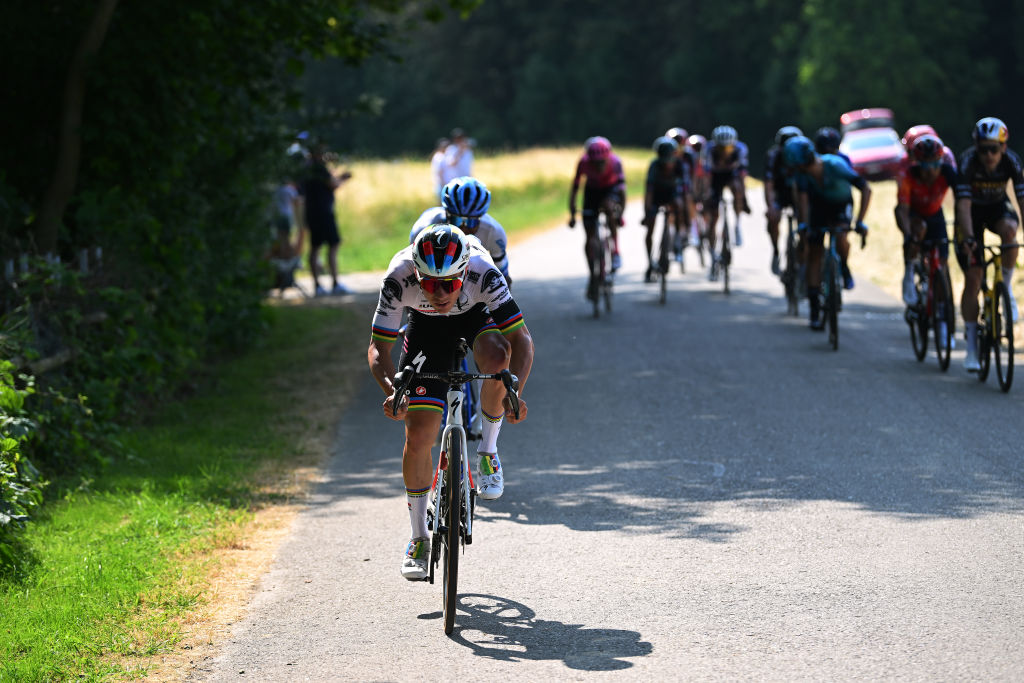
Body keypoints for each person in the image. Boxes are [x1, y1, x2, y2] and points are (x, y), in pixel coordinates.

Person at [368, 224, 534, 581]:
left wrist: (516, 393)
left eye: (448, 283)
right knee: (418, 436)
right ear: (416, 273)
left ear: (463, 272)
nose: (439, 291)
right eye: (429, 282)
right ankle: (418, 538)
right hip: (425, 328)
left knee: (497, 359)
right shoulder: (398, 277)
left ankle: (488, 451)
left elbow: (522, 341)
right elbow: (378, 348)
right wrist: (391, 391)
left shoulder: (483, 273)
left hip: (475, 316)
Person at [954, 117, 1024, 371]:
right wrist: (969, 238)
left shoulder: (1012, 162)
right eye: (983, 149)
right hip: (971, 215)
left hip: (996, 209)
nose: (988, 155)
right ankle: (971, 347)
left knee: (1010, 234)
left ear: (1003, 148)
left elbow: (1021, 199)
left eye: (994, 149)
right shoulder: (967, 162)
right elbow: (962, 206)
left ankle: (1005, 289)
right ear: (976, 148)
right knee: (973, 276)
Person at [785, 135, 871, 330]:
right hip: (818, 209)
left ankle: (845, 267)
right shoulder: (802, 175)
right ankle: (815, 309)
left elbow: (865, 188)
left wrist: (860, 221)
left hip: (841, 205)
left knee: (841, 237)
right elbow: (804, 201)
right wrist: (804, 225)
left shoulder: (835, 165)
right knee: (814, 252)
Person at [895, 134, 958, 319]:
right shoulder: (908, 176)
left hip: (935, 215)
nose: (930, 171)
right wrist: (908, 235)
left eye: (935, 165)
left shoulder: (948, 173)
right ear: (916, 163)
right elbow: (902, 210)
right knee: (918, 231)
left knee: (942, 264)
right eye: (925, 165)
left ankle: (940, 306)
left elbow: (963, 201)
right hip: (914, 214)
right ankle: (909, 272)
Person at [409, 176, 511, 282]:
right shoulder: (424, 227)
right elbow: (411, 268)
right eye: (456, 220)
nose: (463, 228)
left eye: (471, 222)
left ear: (480, 218)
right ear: (447, 214)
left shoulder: (493, 232)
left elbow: (503, 275)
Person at [569, 136, 627, 275]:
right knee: (589, 236)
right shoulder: (583, 163)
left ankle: (616, 252)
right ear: (589, 160)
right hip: (592, 192)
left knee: (609, 208)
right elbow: (575, 189)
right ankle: (592, 274)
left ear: (608, 157)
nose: (598, 166)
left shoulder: (615, 162)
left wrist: (620, 214)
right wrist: (572, 214)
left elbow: (622, 192)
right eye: (595, 163)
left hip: (610, 189)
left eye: (601, 162)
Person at [302, 143, 352, 296]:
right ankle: (335, 283)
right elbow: (332, 184)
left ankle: (317, 285)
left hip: (311, 212)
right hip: (324, 212)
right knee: (333, 244)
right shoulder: (318, 168)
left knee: (315, 247)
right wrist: (343, 178)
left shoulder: (307, 168)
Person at [704, 125, 750, 280]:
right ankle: (712, 256)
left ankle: (737, 224)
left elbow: (742, 175)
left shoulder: (740, 149)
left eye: (728, 148)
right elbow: (706, 175)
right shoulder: (709, 150)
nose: (724, 151)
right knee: (713, 217)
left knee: (737, 188)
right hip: (716, 178)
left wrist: (743, 199)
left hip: (732, 175)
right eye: (721, 148)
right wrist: (707, 195)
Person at [642, 136, 687, 281]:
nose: (668, 164)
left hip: (672, 194)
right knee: (650, 228)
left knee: (679, 205)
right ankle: (650, 262)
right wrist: (647, 213)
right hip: (656, 195)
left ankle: (678, 241)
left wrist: (684, 212)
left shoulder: (680, 165)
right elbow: (648, 192)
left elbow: (685, 191)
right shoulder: (654, 166)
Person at [765, 125, 804, 275]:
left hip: (799, 194)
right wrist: (771, 206)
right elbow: (769, 184)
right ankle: (775, 251)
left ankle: (802, 262)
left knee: (805, 224)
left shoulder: (804, 154)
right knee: (773, 219)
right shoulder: (773, 157)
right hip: (780, 193)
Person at [430, 137, 450, 202]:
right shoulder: (439, 157)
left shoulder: (442, 156)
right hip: (441, 184)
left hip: (443, 184)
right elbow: (439, 172)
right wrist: (443, 183)